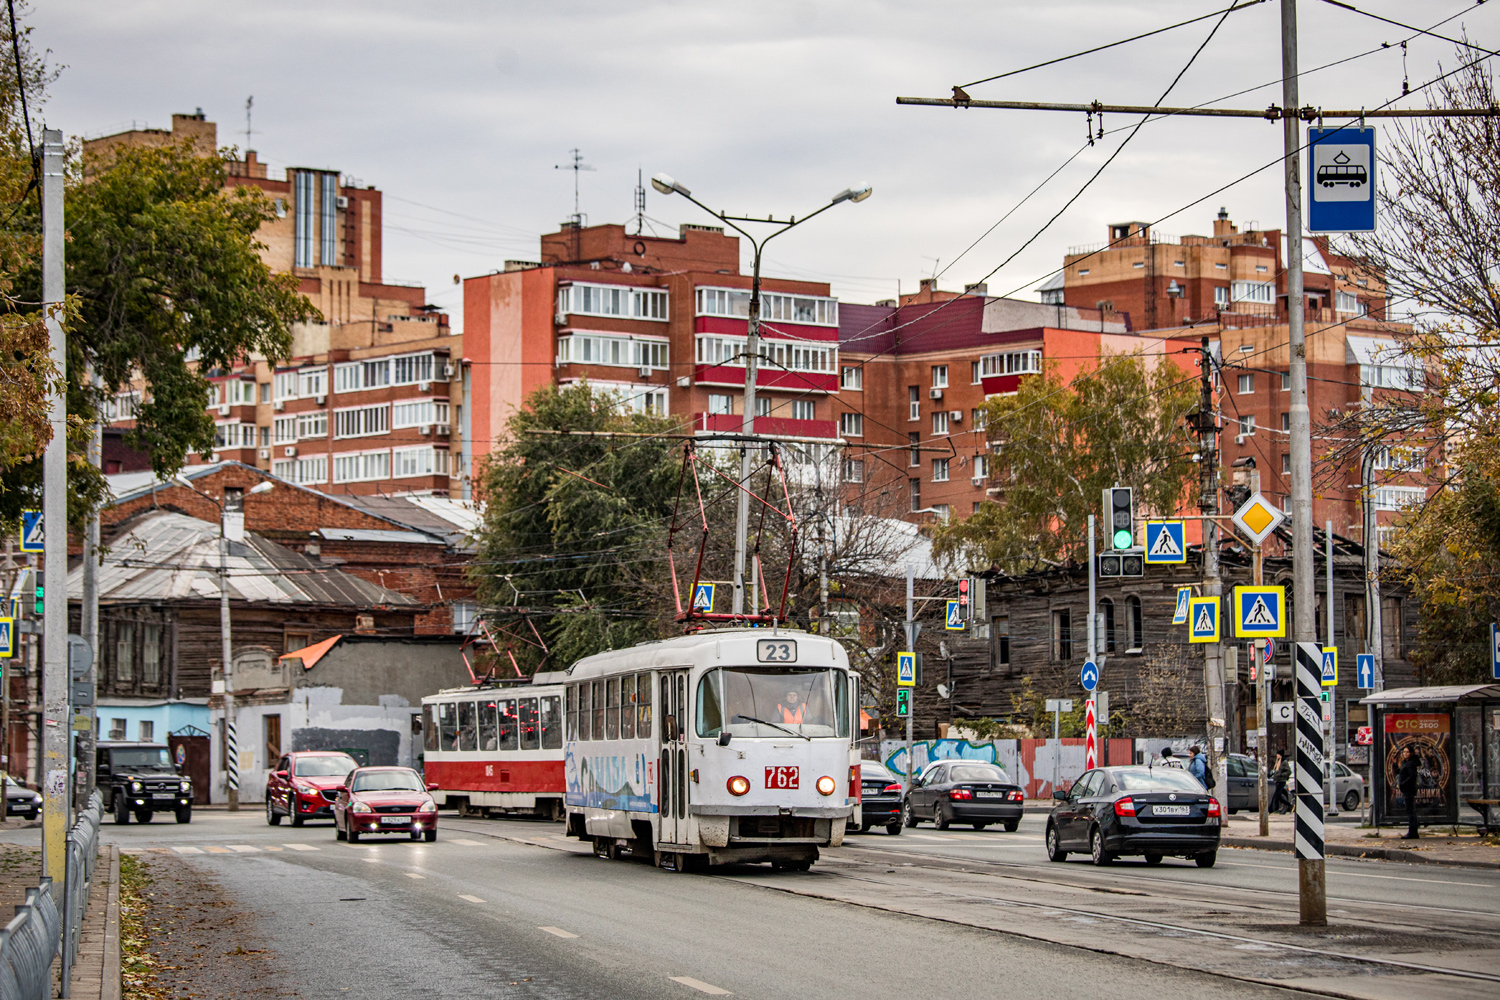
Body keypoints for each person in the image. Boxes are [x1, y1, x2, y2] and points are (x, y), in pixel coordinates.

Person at [1398, 744, 1421, 839]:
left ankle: (1412, 831)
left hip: (1409, 789)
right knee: (1410, 810)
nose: (1405, 754)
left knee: (1410, 810)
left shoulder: (1411, 763)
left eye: (1407, 752)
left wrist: (1403, 784)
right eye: (1404, 752)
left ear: (1411, 753)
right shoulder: (1405, 762)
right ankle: (1413, 831)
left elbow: (1412, 776)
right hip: (1406, 789)